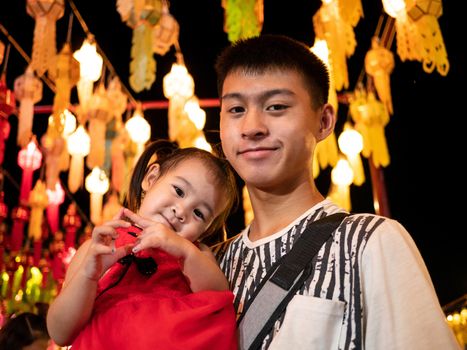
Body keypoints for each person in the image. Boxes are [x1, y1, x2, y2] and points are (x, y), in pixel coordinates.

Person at [214, 34, 460, 349]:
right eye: (235, 109)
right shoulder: (214, 261)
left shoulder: (370, 241)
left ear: (324, 121)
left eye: (276, 106)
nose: (252, 127)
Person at [46, 140, 238, 350]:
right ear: (151, 178)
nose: (181, 212)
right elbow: (60, 332)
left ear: (206, 230)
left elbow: (218, 296)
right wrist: (88, 275)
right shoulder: (101, 246)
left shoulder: (194, 253)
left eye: (199, 213)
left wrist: (184, 251)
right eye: (179, 191)